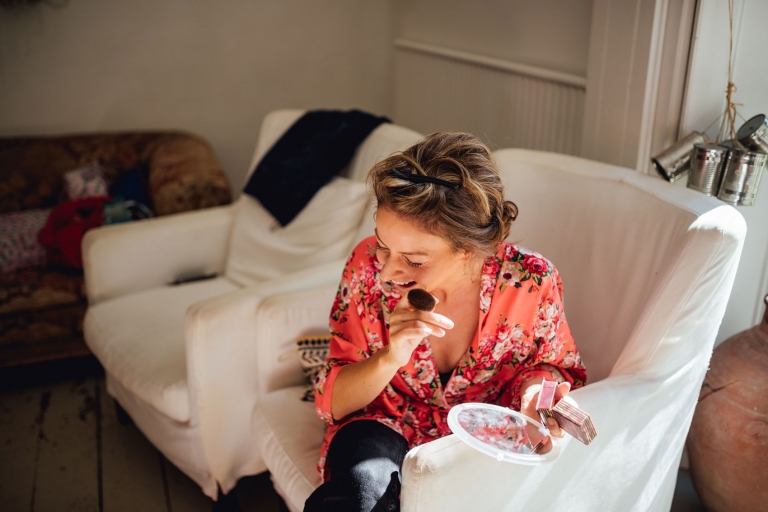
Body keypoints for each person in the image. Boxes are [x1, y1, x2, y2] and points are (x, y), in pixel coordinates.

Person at [305, 132, 587, 512]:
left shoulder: (530, 282)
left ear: (468, 250)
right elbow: (333, 403)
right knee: (362, 490)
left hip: (481, 438)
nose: (387, 272)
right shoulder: (366, 267)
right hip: (381, 424)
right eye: (384, 245)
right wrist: (390, 356)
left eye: (415, 260)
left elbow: (551, 366)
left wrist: (538, 393)